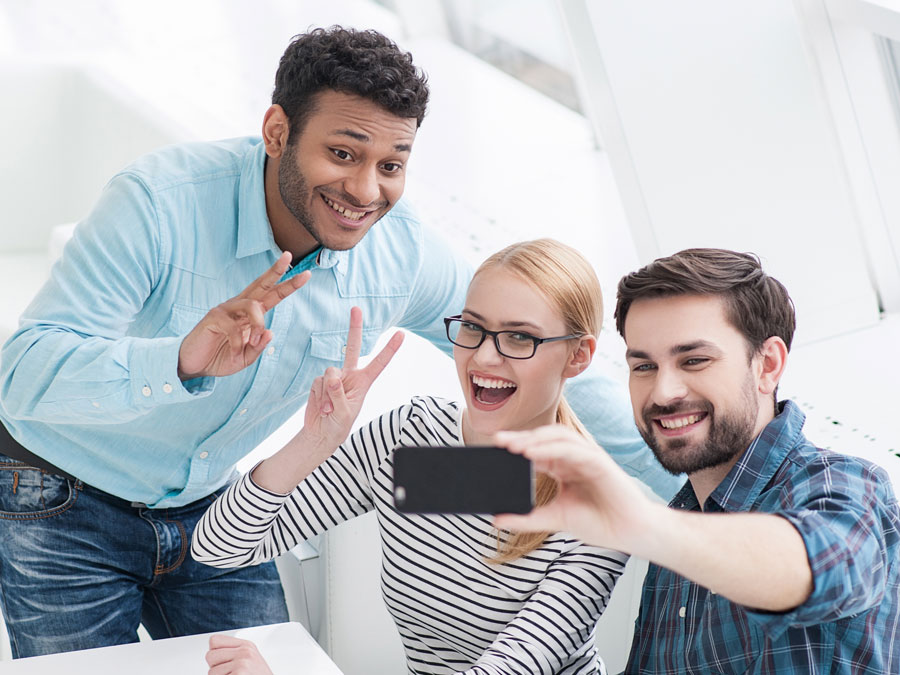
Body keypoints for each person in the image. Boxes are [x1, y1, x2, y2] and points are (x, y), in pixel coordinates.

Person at [0, 27, 678, 658]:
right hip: (60, 498)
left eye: (392, 163)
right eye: (344, 152)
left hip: (208, 500)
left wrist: (702, 483)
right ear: (276, 130)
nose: (365, 189)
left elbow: (542, 353)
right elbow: (21, 374)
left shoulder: (400, 252)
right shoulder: (157, 204)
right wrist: (182, 357)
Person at [192, 239, 629, 675]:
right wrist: (314, 442)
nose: (483, 356)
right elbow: (218, 547)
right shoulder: (415, 444)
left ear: (578, 356)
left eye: (519, 337)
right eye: (473, 327)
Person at [494, 248, 900, 674]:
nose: (664, 391)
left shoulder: (845, 483)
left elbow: (821, 564)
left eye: (694, 360)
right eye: (644, 366)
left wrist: (644, 525)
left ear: (768, 365)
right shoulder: (679, 526)